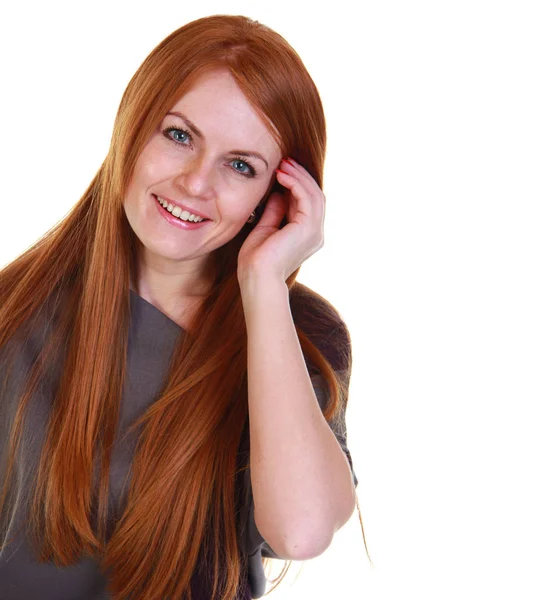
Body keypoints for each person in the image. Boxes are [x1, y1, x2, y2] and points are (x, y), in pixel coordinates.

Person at [0, 14, 365, 600]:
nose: (197, 183)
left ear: (272, 195)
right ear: (133, 127)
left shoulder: (301, 334)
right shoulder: (14, 311)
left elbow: (300, 531)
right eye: (179, 135)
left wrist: (264, 286)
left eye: (240, 165)